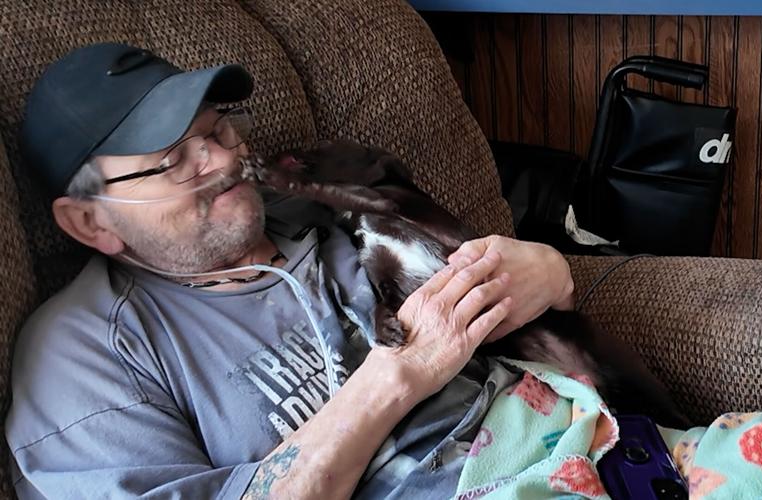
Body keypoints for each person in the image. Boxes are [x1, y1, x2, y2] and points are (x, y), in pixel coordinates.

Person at [5, 43, 575, 499]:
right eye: (173, 160)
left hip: (585, 442)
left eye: (217, 131)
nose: (227, 160)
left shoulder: (329, 212)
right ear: (88, 221)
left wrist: (551, 272)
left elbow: (532, 317)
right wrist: (398, 374)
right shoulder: (86, 355)